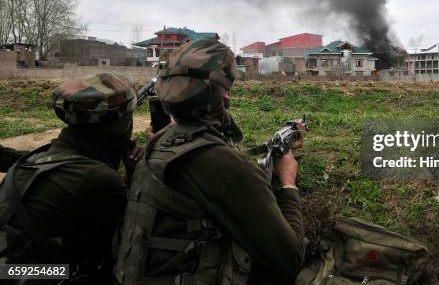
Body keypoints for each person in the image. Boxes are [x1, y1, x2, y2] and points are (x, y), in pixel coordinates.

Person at [116, 38, 305, 285]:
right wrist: (288, 182)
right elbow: (289, 259)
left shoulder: (158, 142)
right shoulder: (224, 165)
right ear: (224, 96)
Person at [0, 72, 141, 284]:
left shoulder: (42, 156)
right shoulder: (97, 177)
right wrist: (136, 173)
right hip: (26, 275)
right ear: (119, 125)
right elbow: (133, 235)